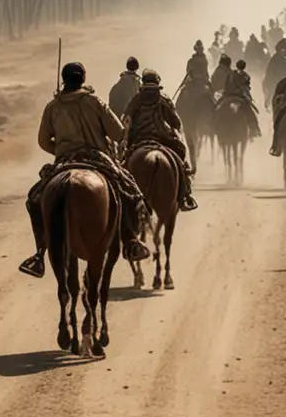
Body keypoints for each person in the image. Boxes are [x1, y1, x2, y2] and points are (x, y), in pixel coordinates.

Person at [19, 62, 150, 278]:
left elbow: (43, 141)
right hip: (98, 157)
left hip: (65, 160)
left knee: (34, 198)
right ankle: (131, 240)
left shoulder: (53, 106)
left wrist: (60, 151)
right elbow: (117, 134)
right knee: (131, 192)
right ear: (83, 78)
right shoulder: (94, 101)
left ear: (64, 79)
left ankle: (40, 254)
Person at [123, 70, 198, 211]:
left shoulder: (136, 99)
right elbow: (176, 123)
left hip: (139, 139)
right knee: (180, 154)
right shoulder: (163, 99)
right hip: (162, 138)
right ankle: (185, 193)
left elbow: (126, 119)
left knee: (123, 164)